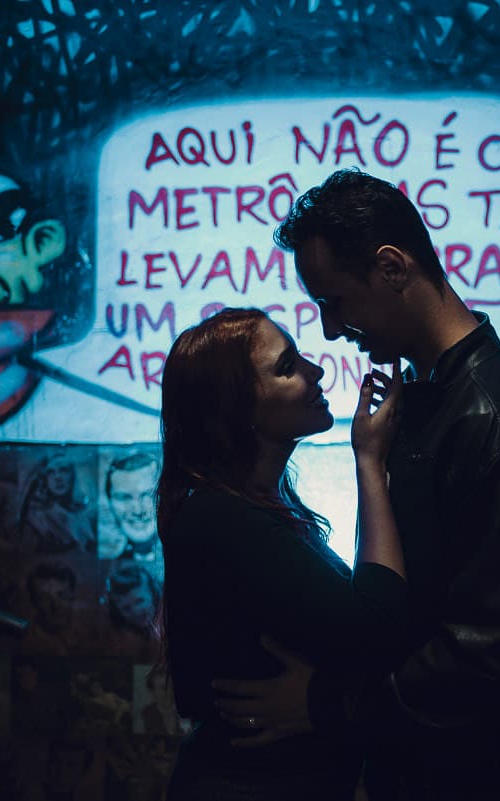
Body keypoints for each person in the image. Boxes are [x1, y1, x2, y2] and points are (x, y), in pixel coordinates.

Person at [212, 169, 500, 800]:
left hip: (480, 775)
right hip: (430, 762)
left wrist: (327, 706)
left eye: (334, 301)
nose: (332, 330)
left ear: (392, 269)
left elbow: (482, 653)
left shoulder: (499, 423)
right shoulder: (430, 400)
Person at [158, 306, 406, 800]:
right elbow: (376, 624)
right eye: (287, 366)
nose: (315, 372)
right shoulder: (222, 518)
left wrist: (319, 702)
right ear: (238, 410)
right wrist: (370, 463)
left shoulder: (256, 506)